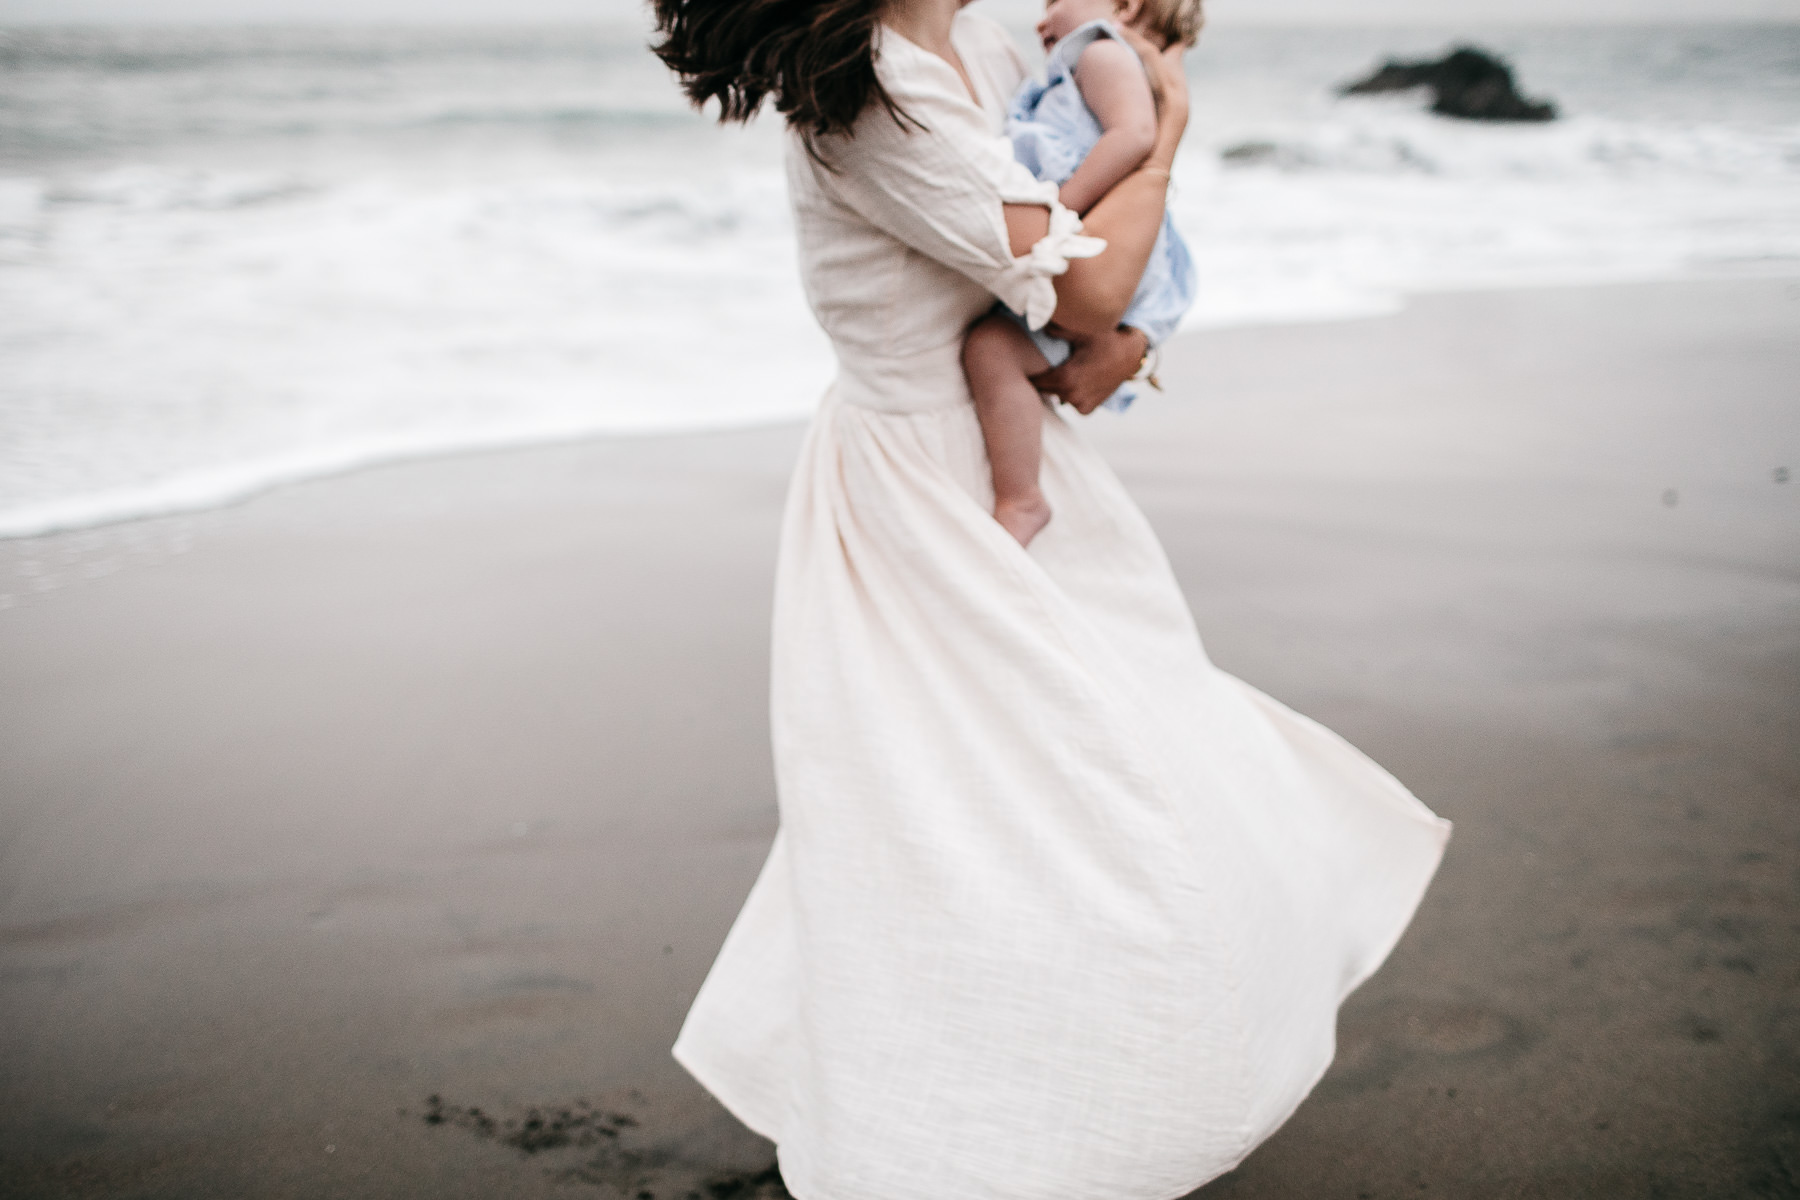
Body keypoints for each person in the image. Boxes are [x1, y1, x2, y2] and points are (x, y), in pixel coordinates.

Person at [651, 0, 1452, 1197]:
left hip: (1005, 453)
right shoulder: (872, 92)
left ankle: (1057, 1075)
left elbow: (1102, 101)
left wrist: (1148, 71)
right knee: (980, 803)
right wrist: (1166, 138)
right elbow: (1082, 292)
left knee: (1107, 754)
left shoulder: (973, 44)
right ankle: (965, 1119)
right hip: (925, 492)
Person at [964, 0, 1202, 545]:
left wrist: (1060, 210)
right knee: (995, 351)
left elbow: (1135, 135)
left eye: (1055, 0)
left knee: (989, 352)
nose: (1042, 20)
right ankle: (1022, 496)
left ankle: (1021, 498)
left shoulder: (1098, 51)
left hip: (1093, 250)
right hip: (1110, 257)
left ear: (1124, 5)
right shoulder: (1086, 67)